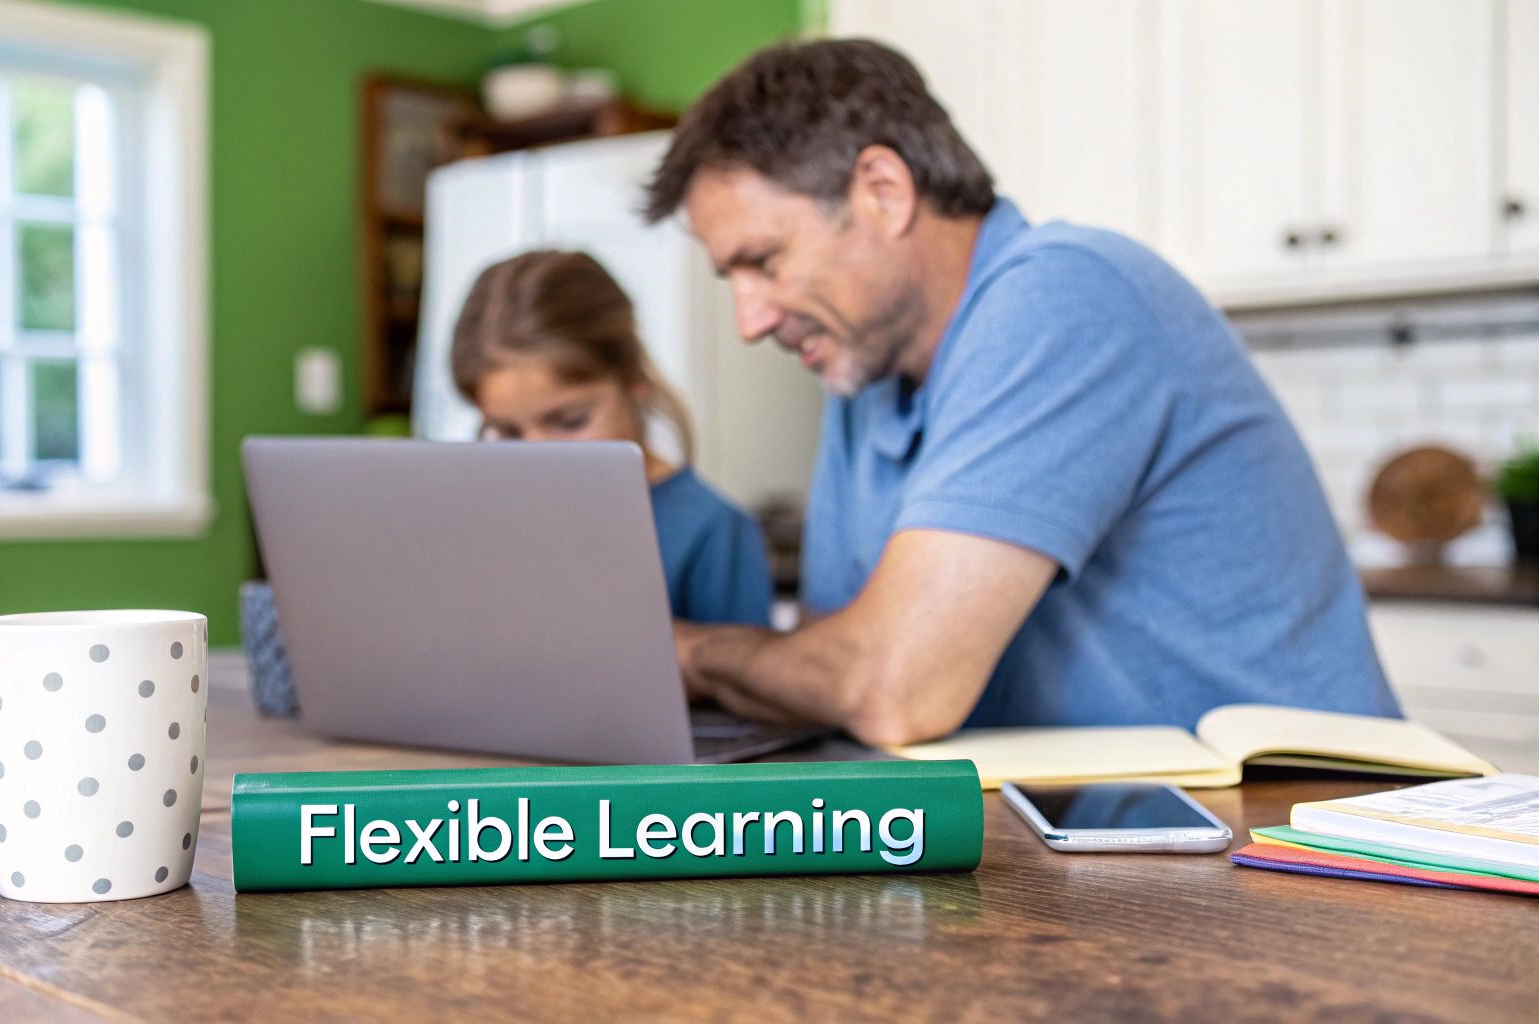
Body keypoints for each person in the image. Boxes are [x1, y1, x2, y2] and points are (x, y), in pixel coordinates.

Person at [640, 39, 1400, 745]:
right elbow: (826, 669)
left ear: (883, 190)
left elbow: (887, 688)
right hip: (1084, 845)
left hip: (1292, 837)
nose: (750, 320)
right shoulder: (862, 373)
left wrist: (691, 652)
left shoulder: (1066, 292)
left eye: (764, 261)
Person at [451, 249, 772, 627]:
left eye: (570, 421)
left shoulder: (711, 534)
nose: (538, 457)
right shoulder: (484, 528)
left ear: (633, 381)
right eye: (506, 433)